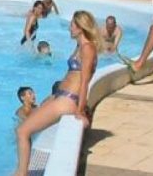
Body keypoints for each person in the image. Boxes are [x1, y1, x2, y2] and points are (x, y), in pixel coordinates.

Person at [14, 10, 100, 176]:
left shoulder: (88, 48)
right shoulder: (80, 45)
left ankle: (22, 173)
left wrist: (80, 110)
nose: (70, 28)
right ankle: (21, 171)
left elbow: (84, 82)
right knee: (25, 127)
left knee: (22, 132)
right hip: (61, 97)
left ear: (81, 27)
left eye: (72, 25)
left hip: (67, 101)